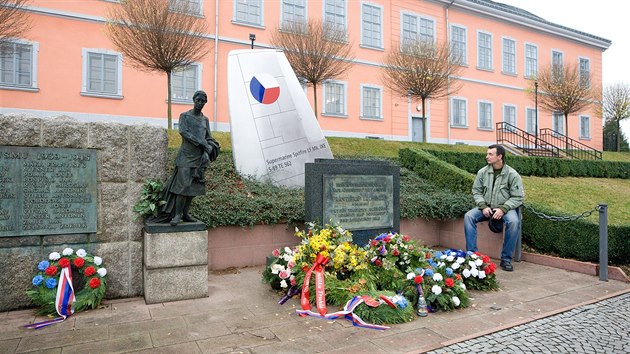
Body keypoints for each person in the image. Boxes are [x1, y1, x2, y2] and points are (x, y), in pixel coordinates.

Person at [154, 90, 220, 226]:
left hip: (199, 158)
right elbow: (184, 132)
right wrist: (202, 143)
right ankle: (177, 215)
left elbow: (208, 136)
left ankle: (185, 214)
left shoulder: (205, 120)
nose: (200, 103)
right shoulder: (184, 116)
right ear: (194, 100)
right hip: (185, 156)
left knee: (193, 187)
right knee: (182, 186)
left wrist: (210, 146)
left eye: (203, 101)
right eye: (198, 100)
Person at [464, 144, 523, 271]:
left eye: (490, 154)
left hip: (506, 208)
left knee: (513, 222)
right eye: (487, 154)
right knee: (469, 216)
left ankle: (506, 259)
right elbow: (476, 191)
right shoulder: (482, 172)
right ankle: (472, 256)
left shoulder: (512, 174)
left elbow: (518, 197)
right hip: (486, 208)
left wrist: (503, 209)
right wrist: (483, 206)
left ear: (499, 156)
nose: (487, 157)